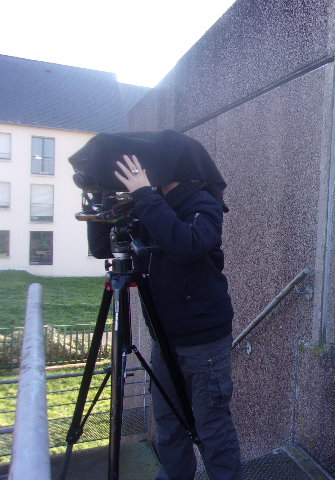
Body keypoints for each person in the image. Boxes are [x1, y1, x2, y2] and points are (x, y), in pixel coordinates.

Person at [86, 134, 241, 480]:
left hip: (204, 343)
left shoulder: (204, 205)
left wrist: (142, 194)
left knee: (212, 426)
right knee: (168, 423)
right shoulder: (152, 204)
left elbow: (185, 244)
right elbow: (104, 250)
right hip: (164, 337)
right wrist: (101, 198)